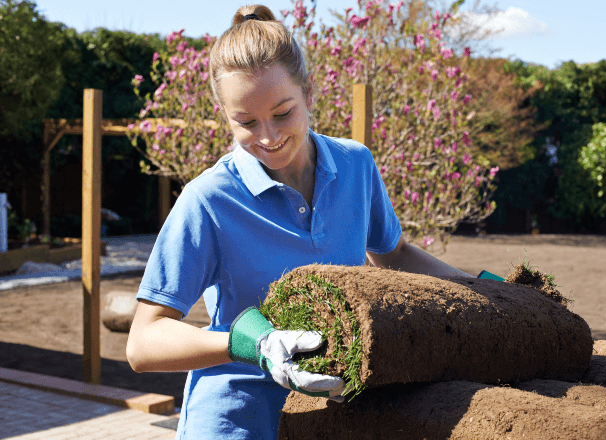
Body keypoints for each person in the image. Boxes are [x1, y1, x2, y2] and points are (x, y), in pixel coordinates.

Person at [126, 5, 473, 440]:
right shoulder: (209, 200)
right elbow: (143, 343)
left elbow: (394, 254)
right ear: (224, 115)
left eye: (283, 112)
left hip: (333, 418)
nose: (269, 137)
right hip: (236, 422)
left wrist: (484, 290)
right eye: (246, 122)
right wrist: (253, 344)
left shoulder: (355, 165)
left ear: (309, 93)